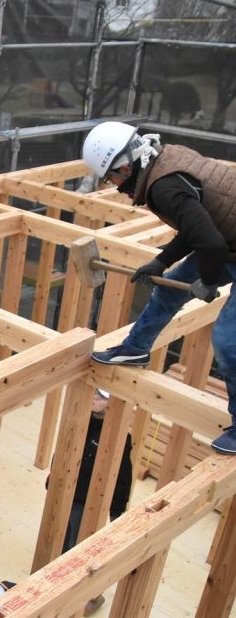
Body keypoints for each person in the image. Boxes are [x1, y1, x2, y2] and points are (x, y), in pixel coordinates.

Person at [83, 121, 236, 454]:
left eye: (113, 178)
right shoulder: (166, 161)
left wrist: (208, 283)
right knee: (169, 289)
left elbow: (210, 245)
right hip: (227, 240)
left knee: (227, 340)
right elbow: (195, 227)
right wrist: (161, 262)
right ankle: (136, 349)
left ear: (127, 165)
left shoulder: (163, 187)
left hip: (223, 246)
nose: (116, 187)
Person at [52, 388, 132, 616]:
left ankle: (90, 596)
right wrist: (54, 478)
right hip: (67, 495)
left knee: (80, 551)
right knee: (63, 544)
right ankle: (60, 590)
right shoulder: (81, 420)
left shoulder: (118, 436)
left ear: (113, 402)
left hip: (86, 504)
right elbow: (63, 450)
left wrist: (117, 511)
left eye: (103, 396)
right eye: (95, 393)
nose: (96, 398)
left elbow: (123, 475)